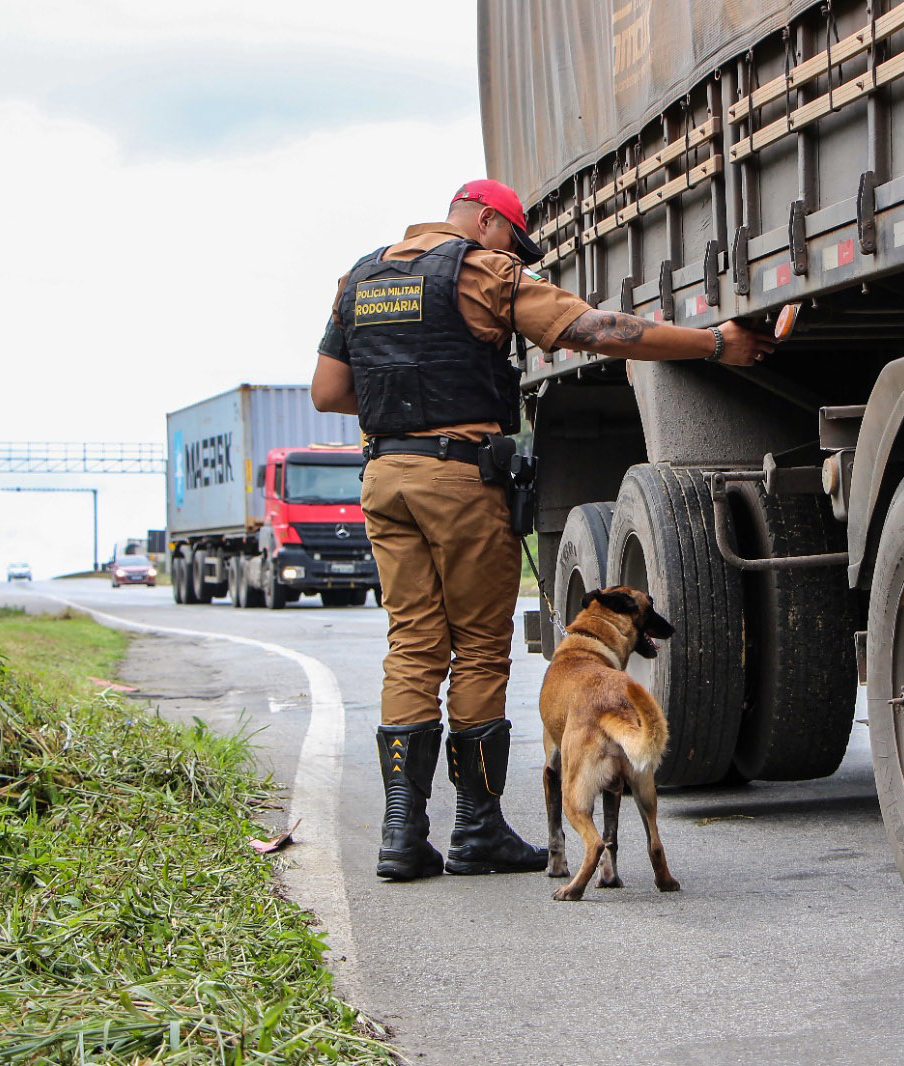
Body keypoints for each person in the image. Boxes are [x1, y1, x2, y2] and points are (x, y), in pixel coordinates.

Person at [311, 178, 777, 882]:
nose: (517, 260)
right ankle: (476, 832)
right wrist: (713, 344)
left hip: (385, 476)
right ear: (488, 221)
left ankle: (401, 837)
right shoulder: (479, 271)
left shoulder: (361, 279)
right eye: (514, 243)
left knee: (411, 647)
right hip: (457, 479)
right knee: (476, 650)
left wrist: (407, 405)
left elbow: (329, 393)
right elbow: (595, 330)